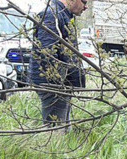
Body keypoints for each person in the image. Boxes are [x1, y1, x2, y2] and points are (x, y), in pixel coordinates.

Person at [30, 0, 87, 128]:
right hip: (54, 85)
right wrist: (57, 84)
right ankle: (54, 147)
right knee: (55, 130)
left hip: (62, 84)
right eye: (84, 1)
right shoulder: (51, 15)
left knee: (63, 127)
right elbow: (48, 55)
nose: (86, 6)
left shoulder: (62, 16)